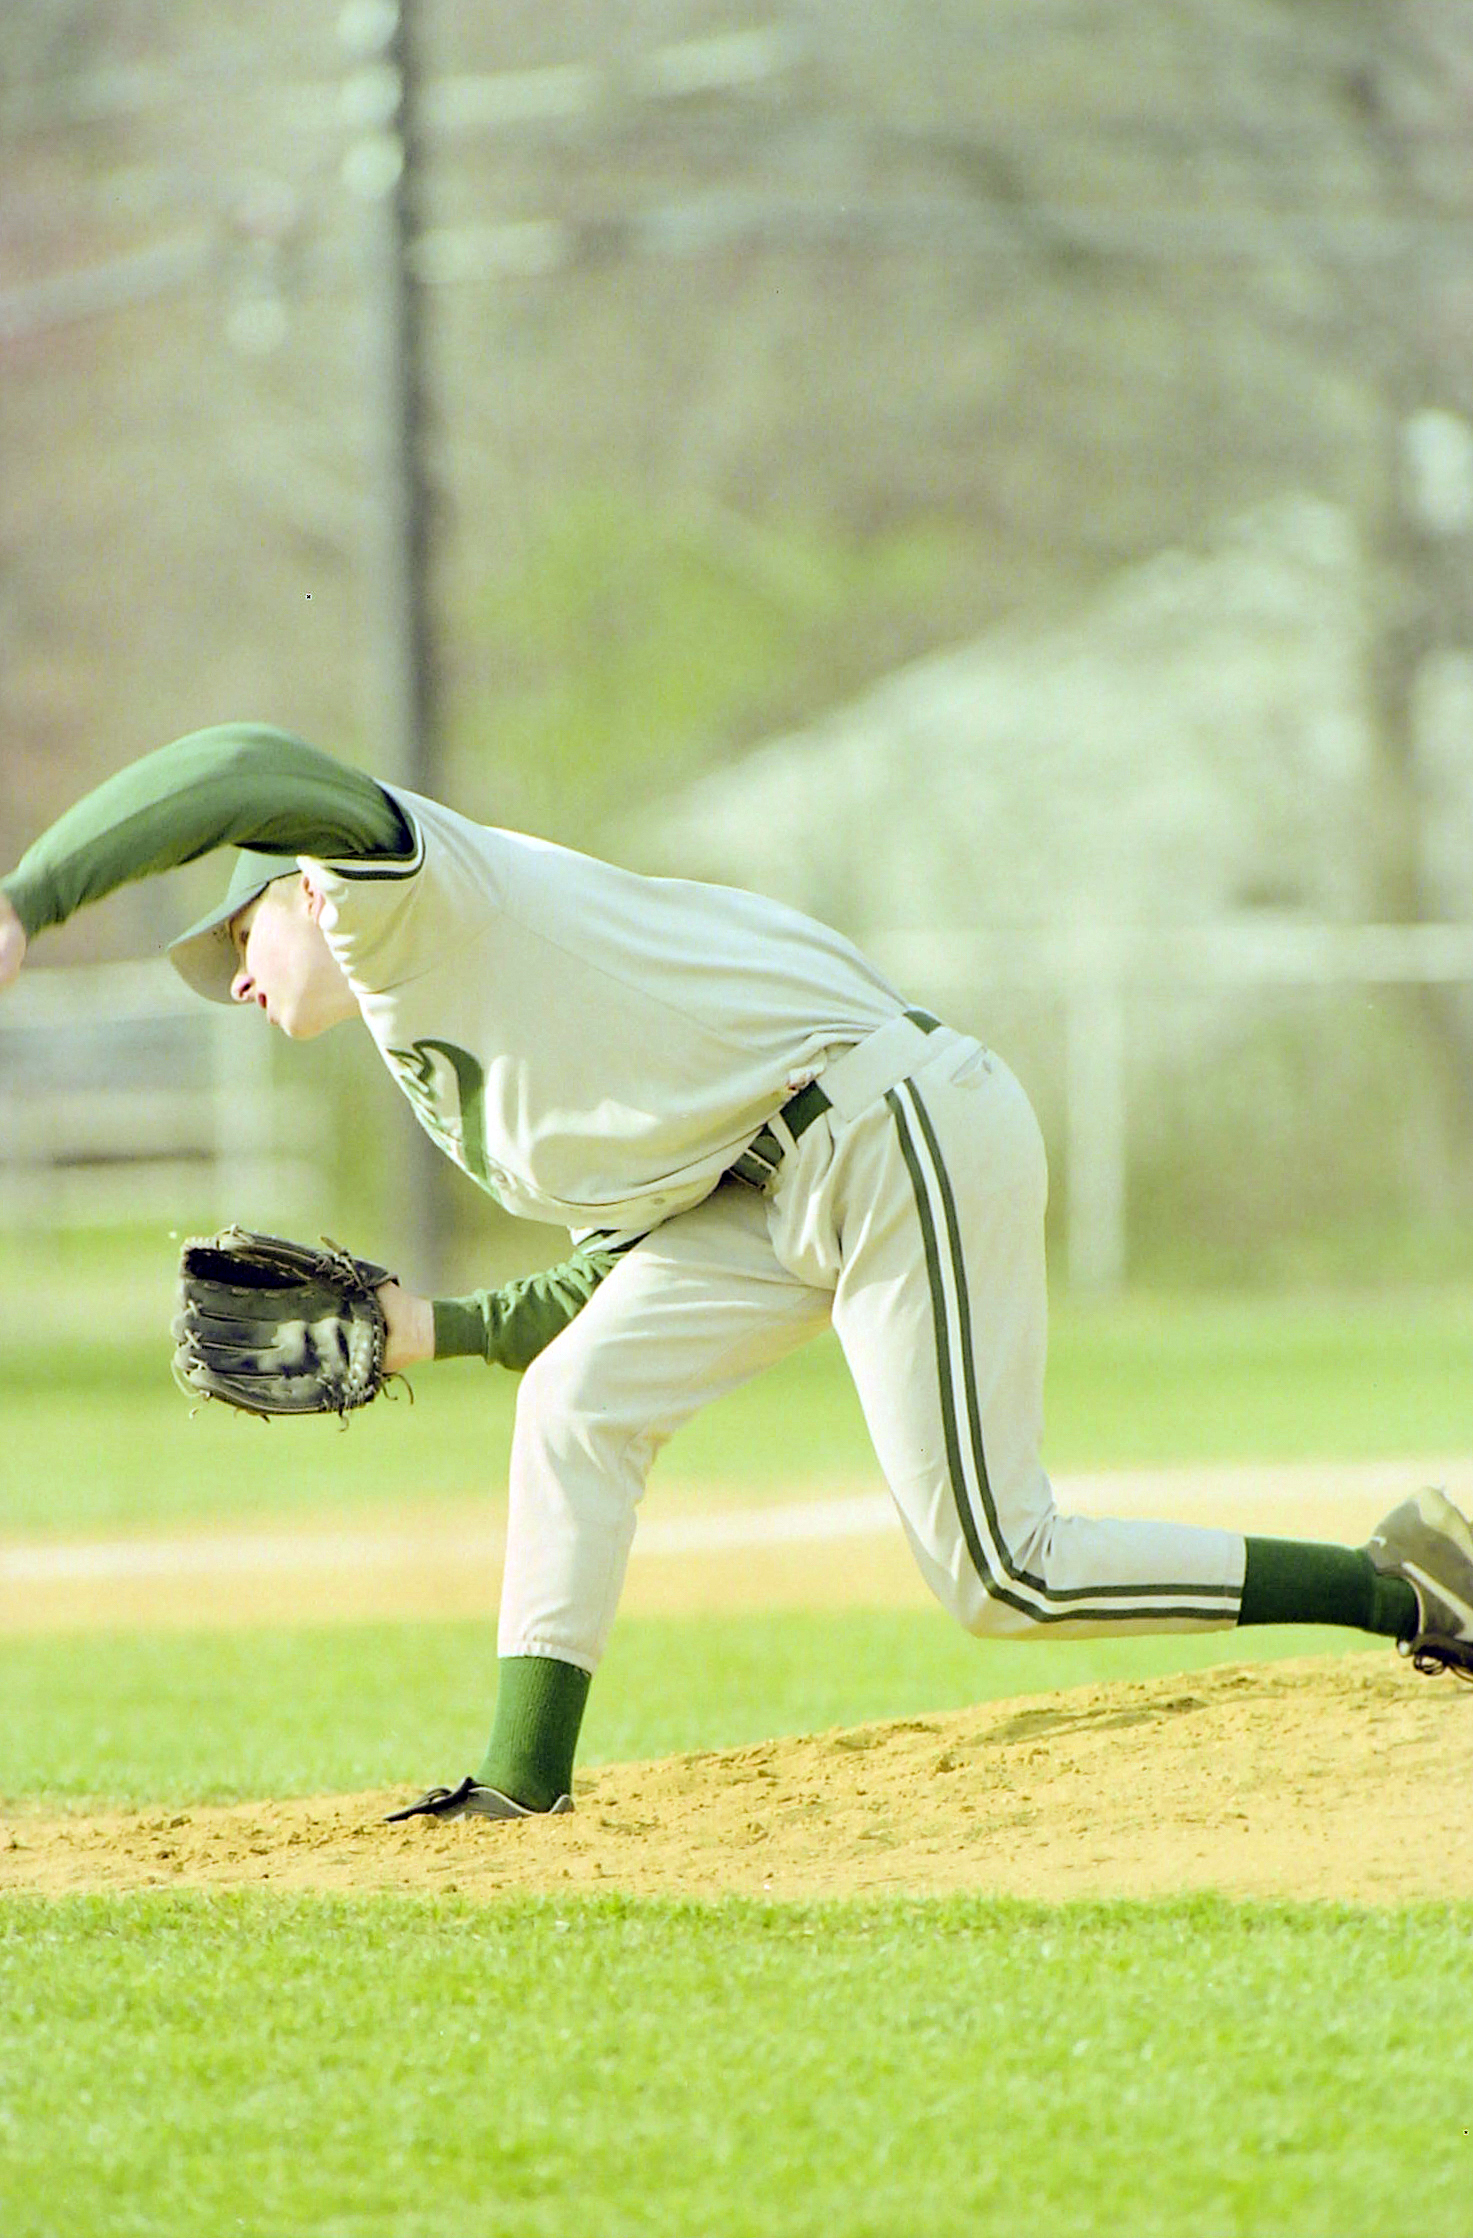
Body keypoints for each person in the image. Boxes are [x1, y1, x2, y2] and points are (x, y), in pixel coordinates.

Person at [3, 723, 1470, 1820]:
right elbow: (618, 1267)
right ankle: (520, 1785)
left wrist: (32, 896)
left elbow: (244, 760)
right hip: (775, 1187)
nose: (236, 976)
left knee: (999, 1571)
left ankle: (1399, 1583)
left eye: (237, 931)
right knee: (575, 1401)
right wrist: (421, 1331)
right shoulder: (450, 1064)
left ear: (309, 889)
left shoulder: (407, 902)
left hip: (890, 1126)